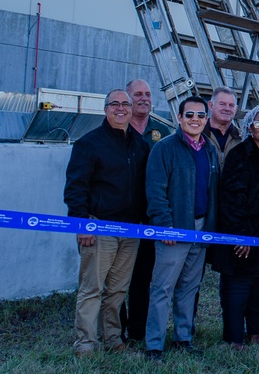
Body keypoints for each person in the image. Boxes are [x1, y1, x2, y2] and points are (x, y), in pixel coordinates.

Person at [64, 89, 149, 355]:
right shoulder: (89, 143)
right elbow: (75, 188)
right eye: (115, 104)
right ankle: (86, 344)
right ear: (105, 109)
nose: (121, 108)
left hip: (131, 230)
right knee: (92, 289)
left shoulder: (140, 144)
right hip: (98, 227)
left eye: (126, 104)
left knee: (118, 290)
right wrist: (81, 224)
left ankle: (113, 339)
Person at [143, 95, 220, 360]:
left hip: (200, 228)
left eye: (200, 115)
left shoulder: (209, 149)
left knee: (189, 286)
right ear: (179, 118)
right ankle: (154, 343)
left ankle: (183, 337)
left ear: (206, 119)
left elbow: (213, 191)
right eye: (189, 115)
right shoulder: (164, 148)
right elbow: (155, 191)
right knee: (162, 287)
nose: (195, 120)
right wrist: (165, 226)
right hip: (174, 230)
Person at [210, 104, 259, 350]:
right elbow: (232, 198)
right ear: (249, 127)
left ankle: (255, 334)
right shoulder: (240, 154)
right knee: (238, 287)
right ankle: (234, 338)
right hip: (244, 232)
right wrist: (241, 235)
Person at [120, 78, 171, 344]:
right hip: (119, 216)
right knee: (117, 277)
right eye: (138, 94)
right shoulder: (116, 129)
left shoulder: (162, 132)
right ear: (127, 98)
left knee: (144, 276)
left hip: (151, 217)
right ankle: (115, 331)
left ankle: (138, 331)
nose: (144, 98)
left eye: (148, 94)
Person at [204, 87, 242, 169]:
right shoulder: (197, 136)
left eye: (231, 105)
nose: (227, 109)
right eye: (222, 104)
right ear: (211, 105)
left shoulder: (243, 138)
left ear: (236, 109)